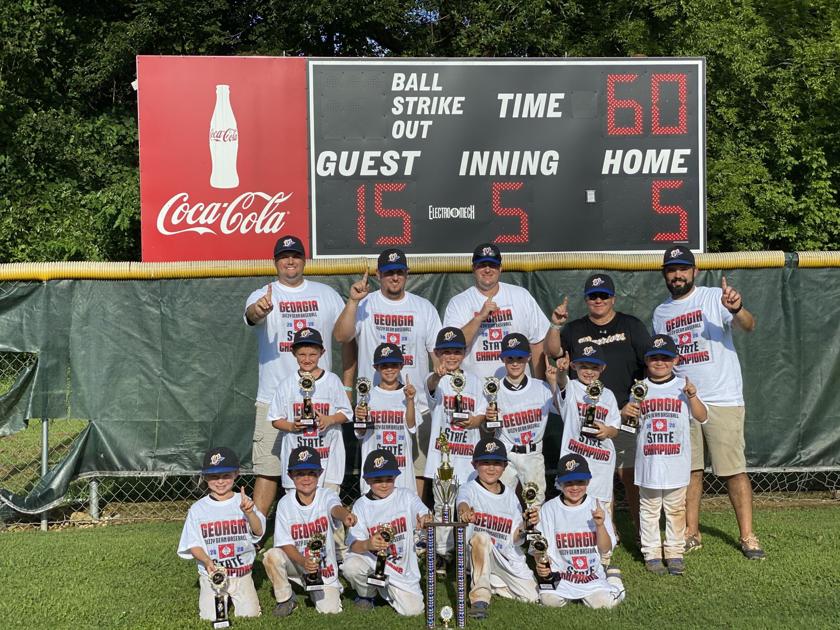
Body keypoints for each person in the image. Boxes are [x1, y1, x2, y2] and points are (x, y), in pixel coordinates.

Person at [652, 246, 765, 560]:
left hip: (722, 397)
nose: (677, 275)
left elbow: (749, 325)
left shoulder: (714, 296)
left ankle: (747, 536)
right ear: (665, 274)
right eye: (671, 269)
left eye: (683, 268)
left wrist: (737, 308)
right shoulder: (661, 313)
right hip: (683, 401)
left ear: (694, 271)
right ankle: (691, 532)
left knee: (733, 471)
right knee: (691, 472)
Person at [244, 235, 346, 517]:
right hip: (274, 398)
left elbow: (346, 335)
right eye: (284, 256)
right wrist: (260, 309)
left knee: (321, 470)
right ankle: (258, 531)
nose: (290, 261)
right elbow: (252, 315)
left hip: (322, 399)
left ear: (304, 260)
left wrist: (346, 388)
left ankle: (319, 531)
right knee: (268, 470)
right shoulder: (263, 293)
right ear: (275, 262)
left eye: (295, 256)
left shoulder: (326, 294)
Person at [546, 273, 651, 534]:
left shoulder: (631, 325)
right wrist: (556, 326)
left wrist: (633, 404)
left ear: (613, 298)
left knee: (627, 477)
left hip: (623, 412)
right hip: (582, 417)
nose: (598, 300)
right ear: (586, 299)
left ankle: (638, 533)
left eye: (604, 295)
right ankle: (592, 532)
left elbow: (649, 366)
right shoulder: (575, 329)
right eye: (593, 296)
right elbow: (554, 353)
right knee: (585, 478)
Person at [335, 248, 441, 499]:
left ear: (407, 273)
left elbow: (436, 353)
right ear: (378, 275)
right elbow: (341, 336)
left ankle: (413, 522)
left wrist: (441, 375)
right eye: (388, 273)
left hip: (416, 405)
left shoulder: (422, 307)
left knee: (415, 467)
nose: (395, 277)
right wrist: (352, 301)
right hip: (375, 403)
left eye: (399, 272)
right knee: (377, 467)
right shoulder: (364, 304)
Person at [268, 326, 353, 557]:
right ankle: (296, 557)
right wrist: (292, 426)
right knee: (297, 512)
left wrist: (329, 418)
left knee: (331, 510)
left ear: (322, 353)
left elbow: (347, 413)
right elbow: (275, 419)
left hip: (328, 461)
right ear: (294, 354)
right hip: (297, 465)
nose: (307, 359)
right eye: (302, 354)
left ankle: (338, 557)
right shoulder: (287, 384)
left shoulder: (333, 381)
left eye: (312, 354)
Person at [633, 335, 708, 576]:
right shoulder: (640, 387)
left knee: (676, 509)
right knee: (650, 509)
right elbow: (632, 421)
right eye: (654, 358)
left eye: (665, 358)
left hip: (676, 461)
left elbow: (702, 416)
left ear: (675, 359)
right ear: (646, 361)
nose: (659, 362)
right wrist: (629, 409)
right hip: (649, 462)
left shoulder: (682, 386)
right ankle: (652, 552)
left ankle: (674, 552)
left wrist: (692, 396)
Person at [263, 446, 357, 617]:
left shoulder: (326, 494)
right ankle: (286, 599)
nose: (306, 478)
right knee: (272, 555)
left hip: (322, 568)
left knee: (330, 611)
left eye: (311, 473)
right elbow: (284, 543)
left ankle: (320, 588)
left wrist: (345, 516)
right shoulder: (285, 503)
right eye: (300, 473)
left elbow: (335, 508)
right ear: (291, 475)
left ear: (319, 473)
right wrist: (303, 561)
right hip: (298, 562)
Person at [551, 343, 621, 564]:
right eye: (583, 366)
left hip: (601, 462)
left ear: (603, 368)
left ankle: (604, 558)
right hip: (575, 460)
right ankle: (574, 550)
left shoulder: (608, 395)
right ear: (574, 366)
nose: (588, 371)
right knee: (572, 507)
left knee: (601, 509)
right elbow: (561, 383)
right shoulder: (570, 387)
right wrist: (561, 371)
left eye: (594, 366)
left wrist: (607, 430)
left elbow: (615, 428)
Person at [177, 446, 265, 621]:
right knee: (210, 618)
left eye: (226, 475)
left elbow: (258, 531)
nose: (220, 481)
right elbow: (193, 544)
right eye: (214, 476)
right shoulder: (198, 509)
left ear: (236, 474)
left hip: (241, 573)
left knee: (250, 615)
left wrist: (249, 513)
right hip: (212, 574)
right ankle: (220, 597)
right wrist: (207, 561)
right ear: (205, 477)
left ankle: (236, 596)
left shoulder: (244, 502)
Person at [423, 326, 488, 563]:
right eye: (446, 352)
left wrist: (475, 420)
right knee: (442, 506)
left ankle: (467, 551)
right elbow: (430, 389)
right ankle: (442, 553)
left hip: (468, 457)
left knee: (468, 505)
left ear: (464, 352)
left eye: (456, 352)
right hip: (444, 458)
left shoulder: (474, 381)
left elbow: (482, 412)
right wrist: (437, 376)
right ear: (438, 353)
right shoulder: (436, 380)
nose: (451, 356)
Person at [456, 437, 539, 620]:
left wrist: (525, 525)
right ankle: (480, 599)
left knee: (532, 597)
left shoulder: (511, 496)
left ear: (504, 466)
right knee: (482, 536)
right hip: (477, 552)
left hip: (504, 556)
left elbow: (515, 538)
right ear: (474, 464)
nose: (491, 468)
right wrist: (464, 513)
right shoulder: (469, 488)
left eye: (497, 463)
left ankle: (491, 581)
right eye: (485, 463)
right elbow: (462, 503)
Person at [343, 449, 433, 615]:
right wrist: (368, 544)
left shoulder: (405, 496)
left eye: (389, 479)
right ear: (367, 480)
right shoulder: (361, 505)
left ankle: (386, 591)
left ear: (395, 477)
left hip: (400, 569)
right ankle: (367, 595)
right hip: (373, 561)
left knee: (413, 611)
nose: (384, 484)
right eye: (378, 480)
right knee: (351, 566)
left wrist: (425, 518)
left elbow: (423, 512)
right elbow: (353, 546)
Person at [443, 243, 550, 379]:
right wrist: (479, 318)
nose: (487, 270)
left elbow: (537, 343)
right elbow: (451, 346)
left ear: (500, 268)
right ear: (473, 269)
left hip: (517, 389)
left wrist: (538, 385)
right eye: (482, 265)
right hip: (474, 389)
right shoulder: (459, 302)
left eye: (492, 265)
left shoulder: (521, 296)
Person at [535, 453, 625, 609]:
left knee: (604, 603)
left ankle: (613, 578)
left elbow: (606, 548)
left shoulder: (596, 506)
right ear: (560, 483)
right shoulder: (549, 508)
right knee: (549, 601)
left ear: (588, 481)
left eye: (580, 482)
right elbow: (539, 546)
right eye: (569, 483)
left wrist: (600, 525)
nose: (575, 487)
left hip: (591, 576)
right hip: (561, 575)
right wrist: (541, 564)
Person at [484, 333, 556, 505]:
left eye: (520, 358)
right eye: (510, 358)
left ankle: (533, 532)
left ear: (528, 358)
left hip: (533, 454)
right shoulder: (493, 389)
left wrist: (554, 383)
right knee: (501, 503)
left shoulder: (542, 387)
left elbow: (563, 411)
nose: (515, 363)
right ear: (503, 359)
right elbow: (488, 428)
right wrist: (488, 419)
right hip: (506, 454)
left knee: (535, 505)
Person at [353, 343, 418, 494]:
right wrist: (360, 417)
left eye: (394, 365)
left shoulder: (408, 393)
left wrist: (410, 401)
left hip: (400, 466)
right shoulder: (367, 396)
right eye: (384, 365)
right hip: (375, 467)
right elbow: (360, 433)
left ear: (401, 366)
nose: (389, 369)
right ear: (376, 367)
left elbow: (412, 427)